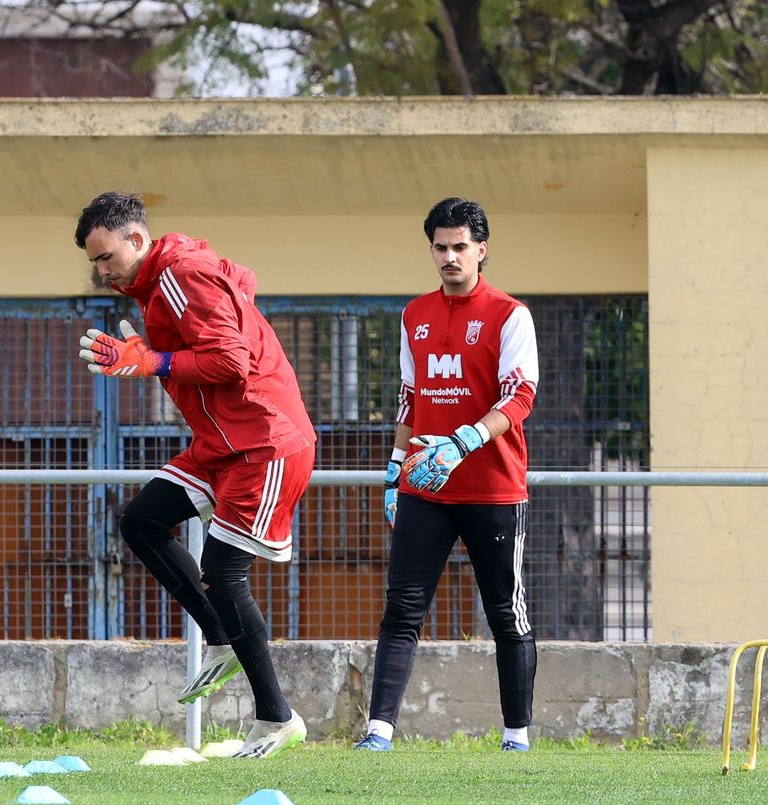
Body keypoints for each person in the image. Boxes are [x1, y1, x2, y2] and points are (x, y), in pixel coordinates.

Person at [74, 191, 314, 759]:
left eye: (106, 256)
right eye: (94, 262)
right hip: (220, 444)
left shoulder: (182, 274)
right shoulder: (160, 285)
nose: (101, 271)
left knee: (224, 577)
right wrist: (150, 353)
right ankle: (222, 637)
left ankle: (277, 719)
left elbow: (230, 360)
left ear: (137, 239)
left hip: (263, 440)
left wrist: (153, 361)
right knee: (142, 521)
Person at [353, 197, 541, 753]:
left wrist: (463, 441)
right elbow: (409, 397)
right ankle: (378, 732)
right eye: (441, 246)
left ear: (482, 249)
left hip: (492, 488)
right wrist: (394, 470)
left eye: (461, 246)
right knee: (402, 608)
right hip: (424, 486)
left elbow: (520, 395)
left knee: (506, 612)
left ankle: (517, 736)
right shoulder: (414, 314)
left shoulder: (511, 314)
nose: (450, 256)